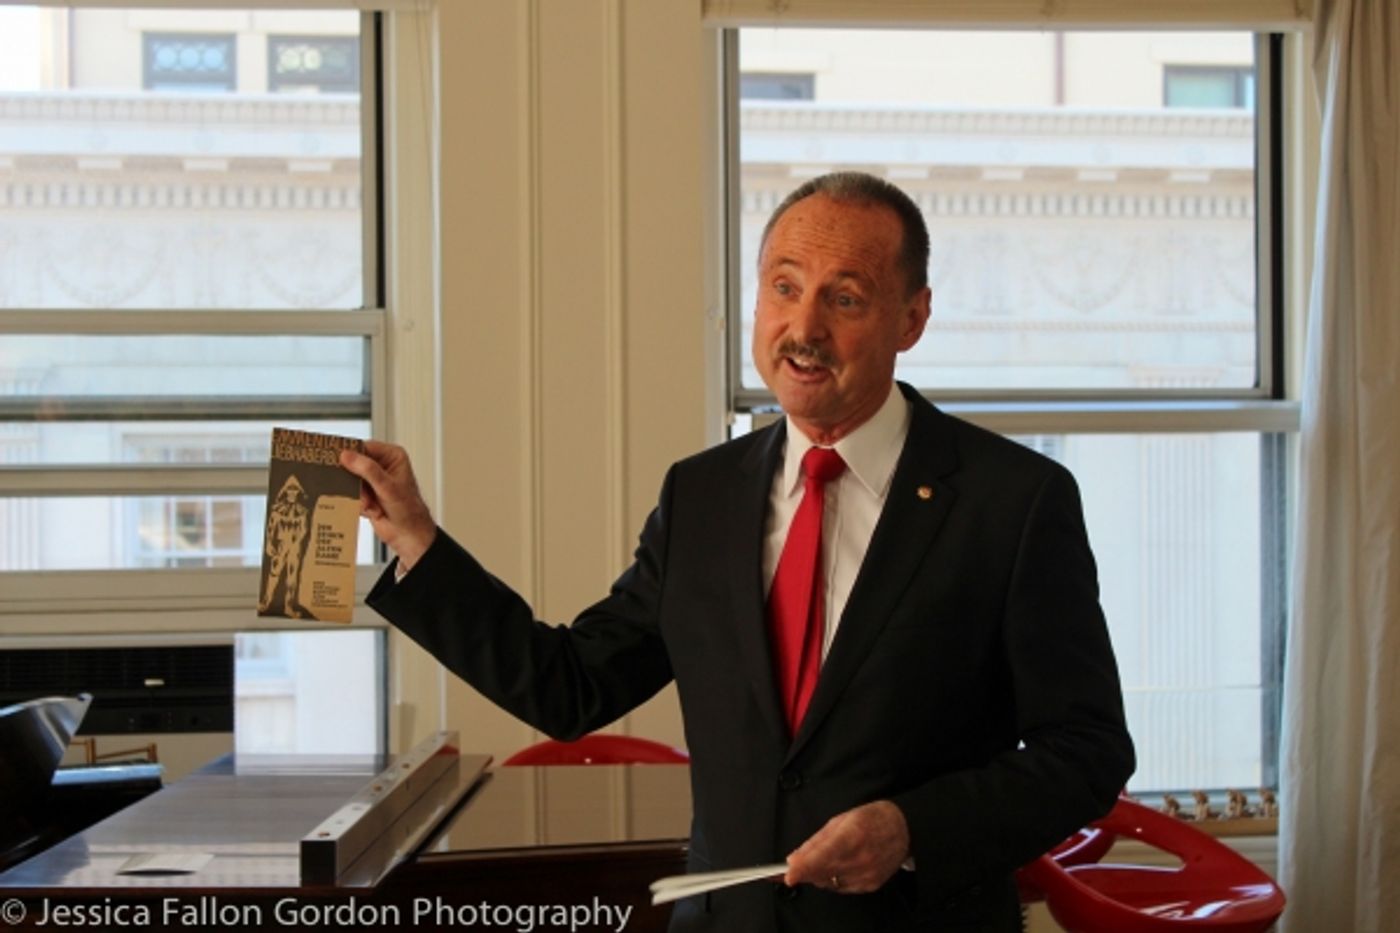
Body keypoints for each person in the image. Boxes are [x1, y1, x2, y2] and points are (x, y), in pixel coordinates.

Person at [342, 171, 1134, 932]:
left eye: (845, 298)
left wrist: (911, 828)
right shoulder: (702, 496)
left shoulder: (1014, 500)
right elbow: (571, 687)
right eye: (783, 287)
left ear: (912, 318)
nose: (804, 329)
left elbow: (1088, 750)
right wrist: (418, 539)